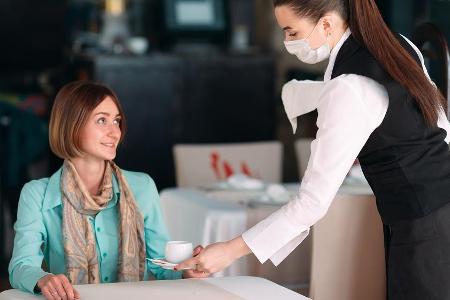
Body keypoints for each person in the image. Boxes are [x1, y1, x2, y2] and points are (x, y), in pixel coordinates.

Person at [176, 1, 450, 299]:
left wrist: (229, 251)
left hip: (424, 225)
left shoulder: (348, 87)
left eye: (292, 33)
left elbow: (311, 204)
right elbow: (442, 127)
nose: (288, 43)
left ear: (327, 24)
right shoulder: (400, 46)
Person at [9, 81, 207, 300]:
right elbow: (21, 265)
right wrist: (43, 279)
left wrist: (185, 271)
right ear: (71, 124)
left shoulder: (142, 186)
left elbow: (160, 264)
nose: (115, 132)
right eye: (102, 120)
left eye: (117, 121)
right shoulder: (37, 194)